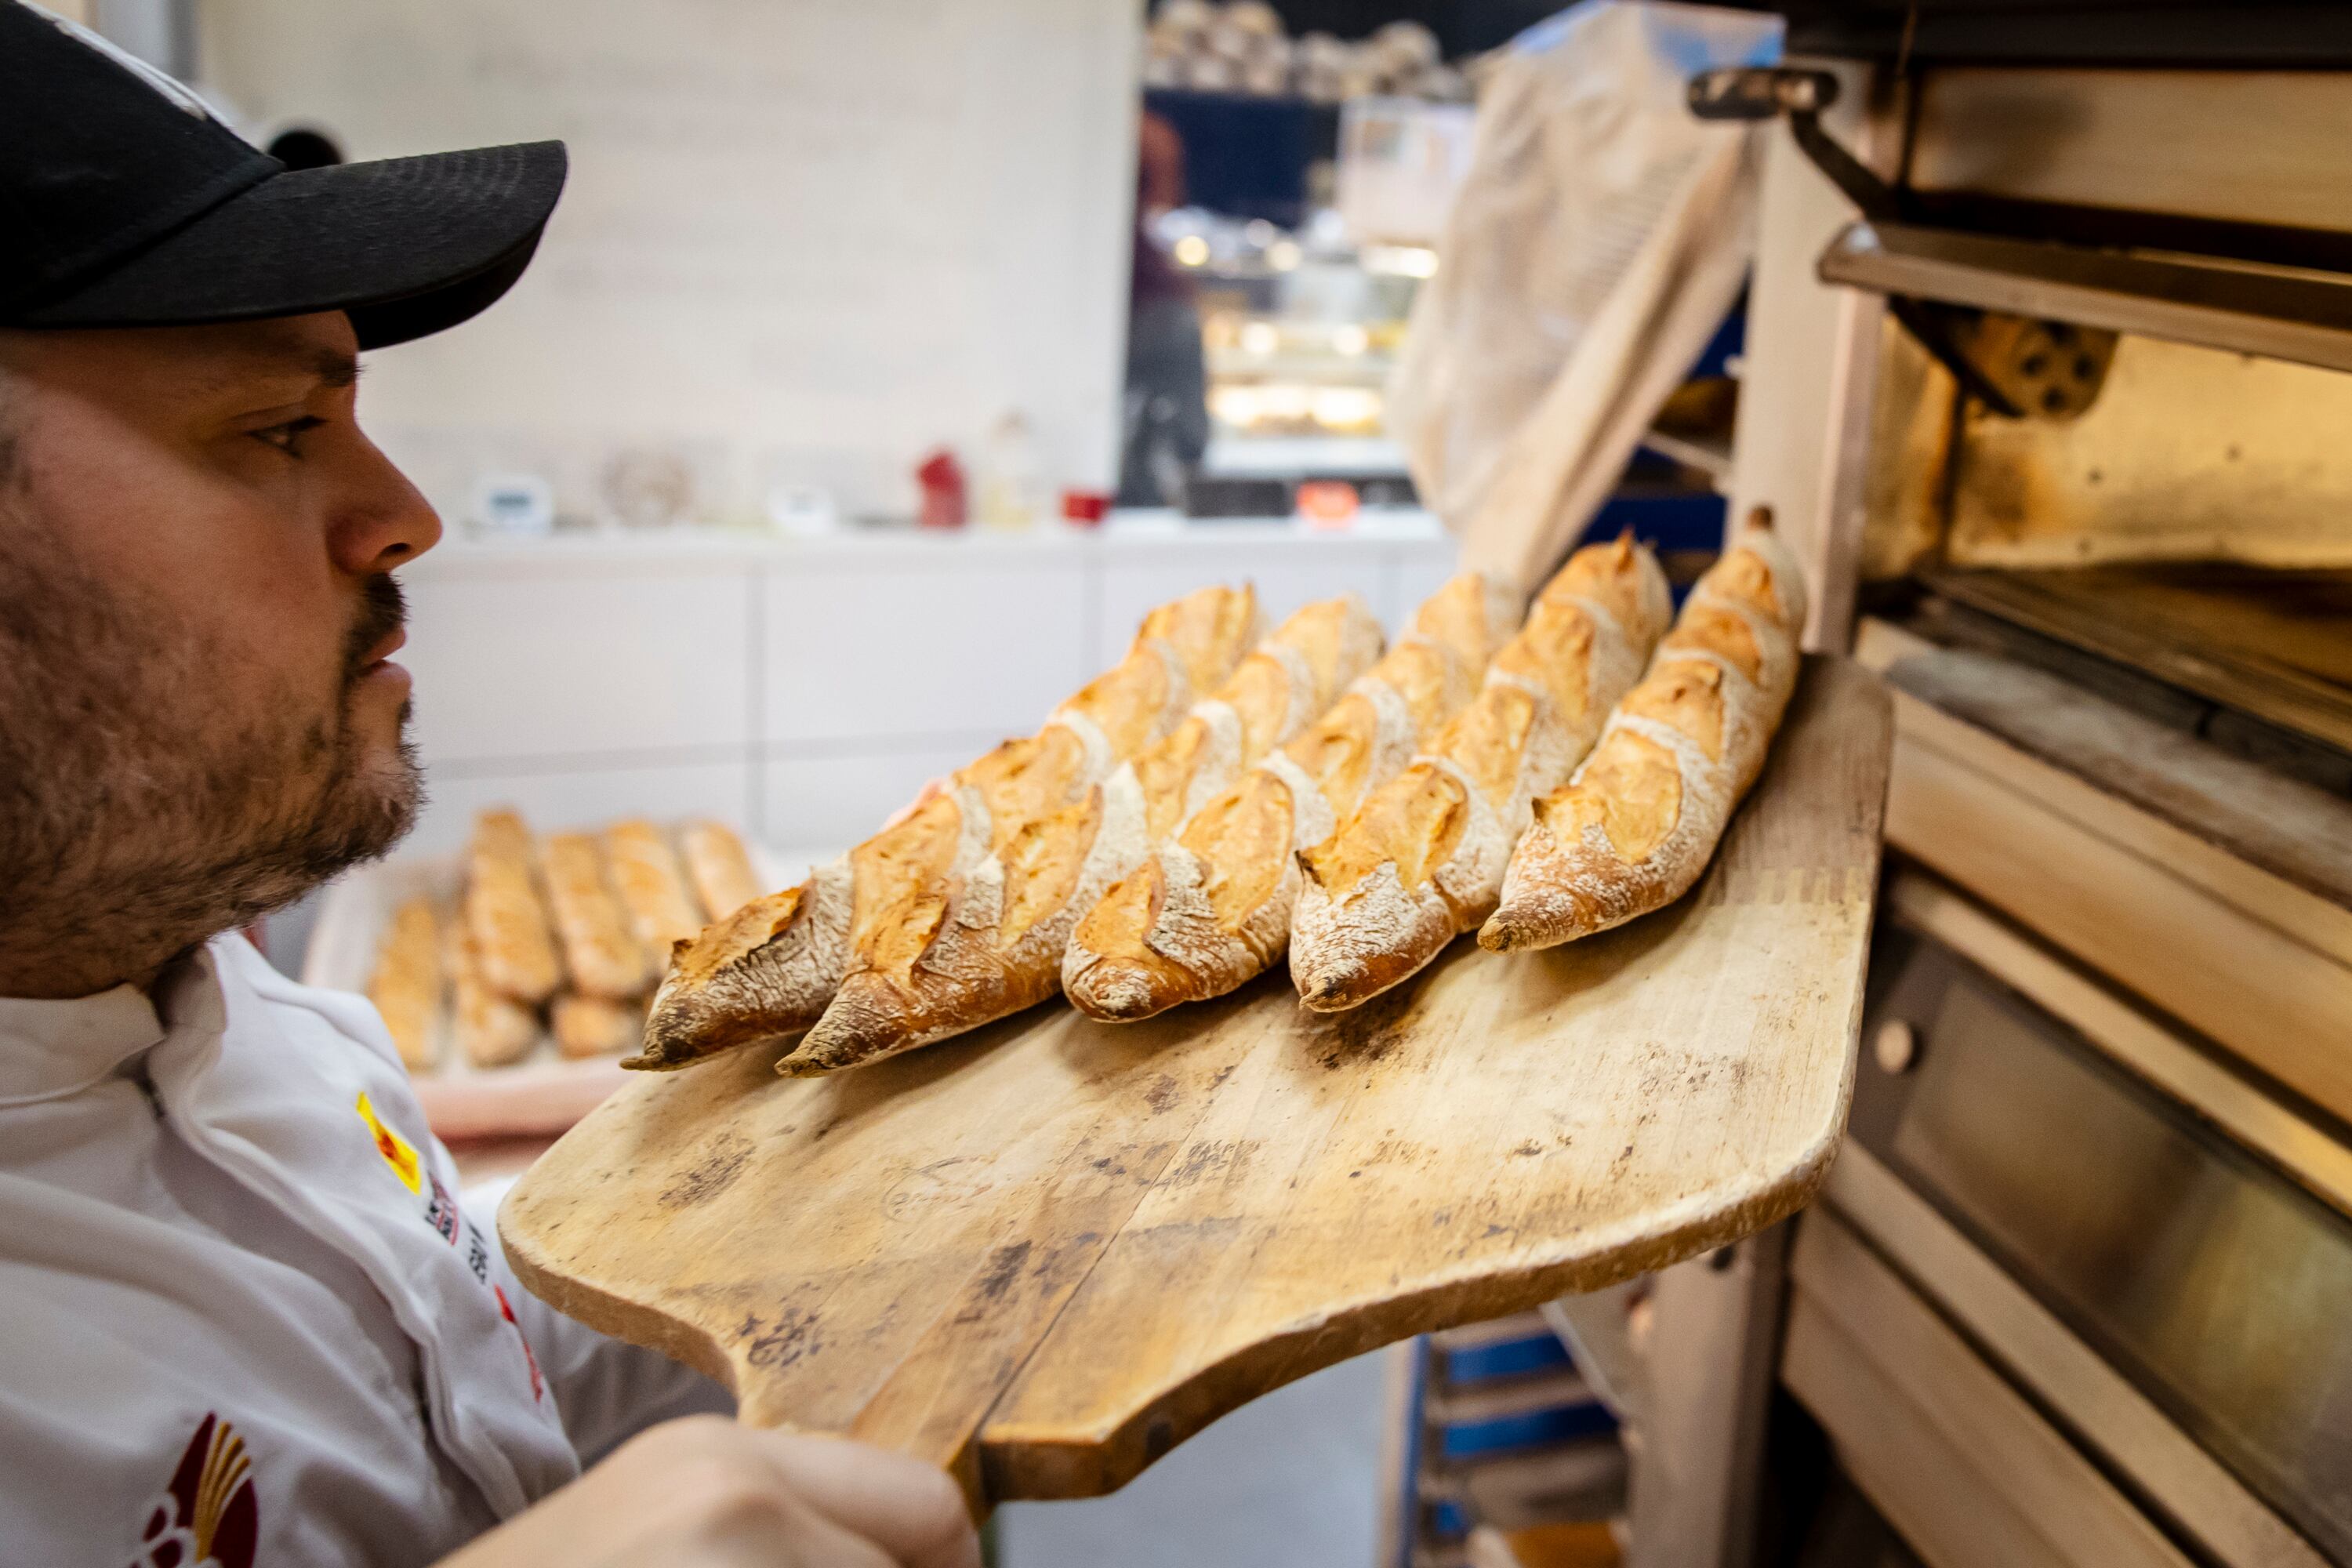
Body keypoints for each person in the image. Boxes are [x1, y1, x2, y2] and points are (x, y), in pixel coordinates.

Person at [0, 8, 978, 1566]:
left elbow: (452, 1393)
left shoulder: (259, 1023)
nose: (405, 516)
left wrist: (820, 1194)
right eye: (279, 424)